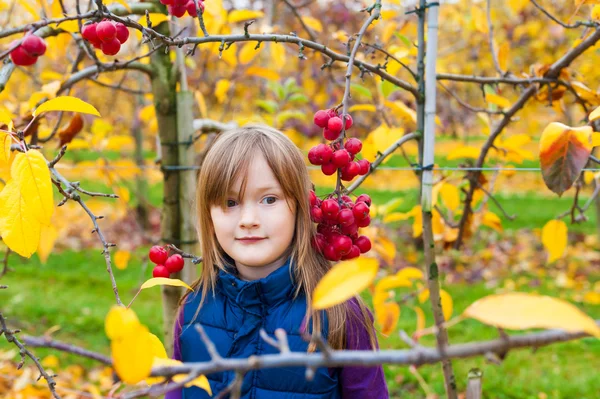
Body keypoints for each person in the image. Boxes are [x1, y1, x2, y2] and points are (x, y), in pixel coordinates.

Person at [165, 124, 388, 399]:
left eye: (269, 199)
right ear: (208, 215)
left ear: (300, 207)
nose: (248, 220)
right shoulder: (193, 310)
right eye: (230, 202)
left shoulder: (340, 314)